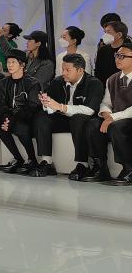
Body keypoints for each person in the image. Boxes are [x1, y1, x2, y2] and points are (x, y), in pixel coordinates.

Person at [37, 53, 105, 181]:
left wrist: (61, 107)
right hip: (62, 118)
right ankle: (46, 161)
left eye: (68, 70)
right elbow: (52, 107)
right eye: (62, 69)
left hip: (83, 120)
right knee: (42, 117)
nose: (64, 73)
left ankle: (82, 164)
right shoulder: (57, 82)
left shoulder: (94, 83)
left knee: (78, 118)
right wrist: (47, 104)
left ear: (80, 70)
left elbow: (89, 110)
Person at [79, 41, 132, 184]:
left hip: (127, 118)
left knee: (117, 127)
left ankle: (129, 168)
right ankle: (100, 167)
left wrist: (112, 118)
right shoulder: (112, 79)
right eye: (117, 55)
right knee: (92, 124)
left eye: (122, 56)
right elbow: (106, 102)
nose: (117, 59)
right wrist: (106, 114)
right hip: (115, 118)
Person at [0, 50, 43, 175]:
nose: (9, 65)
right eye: (8, 62)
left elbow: (33, 106)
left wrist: (12, 119)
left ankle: (32, 159)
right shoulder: (2, 83)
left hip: (28, 116)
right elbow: (2, 105)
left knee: (20, 126)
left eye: (13, 62)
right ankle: (18, 159)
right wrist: (6, 118)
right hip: (10, 116)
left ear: (22, 65)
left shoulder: (32, 82)